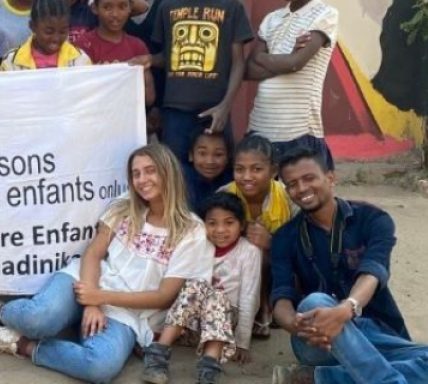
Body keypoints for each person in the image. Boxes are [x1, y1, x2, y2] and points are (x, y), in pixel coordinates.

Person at [0, 144, 213, 384]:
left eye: (150, 171)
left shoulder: (191, 231)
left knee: (100, 367)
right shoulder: (126, 206)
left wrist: (101, 298)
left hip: (128, 312)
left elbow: (164, 296)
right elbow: (93, 255)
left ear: (168, 171)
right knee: (38, 319)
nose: (142, 180)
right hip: (87, 280)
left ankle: (19, 343)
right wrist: (92, 302)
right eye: (136, 174)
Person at [270, 145, 428, 384]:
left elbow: (373, 271)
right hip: (319, 338)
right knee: (314, 301)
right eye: (292, 184)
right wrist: (295, 324)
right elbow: (281, 297)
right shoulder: (284, 237)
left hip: (376, 332)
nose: (301, 188)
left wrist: (346, 309)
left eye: (309, 178)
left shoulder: (372, 219)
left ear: (330, 177)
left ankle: (318, 378)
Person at [152, 0, 253, 165]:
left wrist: (225, 106)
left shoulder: (232, 7)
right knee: (176, 173)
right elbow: (167, 57)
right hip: (174, 112)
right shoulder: (167, 7)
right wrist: (146, 59)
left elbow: (238, 62)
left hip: (214, 109)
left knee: (216, 173)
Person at [144, 192, 261, 384]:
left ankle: (209, 367)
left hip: (225, 326)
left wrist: (242, 342)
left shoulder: (249, 252)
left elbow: (249, 296)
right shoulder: (199, 244)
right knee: (195, 285)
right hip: (192, 326)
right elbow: (180, 291)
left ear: (241, 225)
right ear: (202, 224)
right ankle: (157, 356)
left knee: (216, 296)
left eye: (229, 223)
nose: (220, 230)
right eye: (212, 223)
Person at [246, 0, 338, 167]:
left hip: (297, 128)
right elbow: (249, 69)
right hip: (261, 124)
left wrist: (267, 58)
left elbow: (297, 63)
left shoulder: (324, 14)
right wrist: (286, 60)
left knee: (298, 186)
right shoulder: (272, 19)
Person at [221, 134, 296, 338]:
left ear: (273, 171)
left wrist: (272, 242)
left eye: (256, 169)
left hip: (282, 267)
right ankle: (253, 310)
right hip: (236, 269)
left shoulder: (288, 196)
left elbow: (302, 241)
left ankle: (271, 306)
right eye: (239, 169)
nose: (246, 177)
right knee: (252, 251)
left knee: (262, 251)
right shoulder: (225, 195)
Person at [76, 0, 155, 106]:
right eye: (107, 7)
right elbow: (78, 92)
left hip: (127, 116)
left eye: (122, 7)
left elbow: (149, 97)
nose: (115, 14)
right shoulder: (83, 45)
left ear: (130, 7)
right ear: (95, 8)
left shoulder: (137, 46)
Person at [118, 0, 167, 137]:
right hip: (122, 104)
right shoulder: (109, 8)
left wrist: (159, 107)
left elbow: (171, 57)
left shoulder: (165, 6)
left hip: (160, 101)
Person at [0, 0, 92, 71]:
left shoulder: (80, 60)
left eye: (63, 32)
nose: (56, 38)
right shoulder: (11, 61)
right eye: (49, 32)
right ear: (33, 26)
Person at [185, 130, 233, 215]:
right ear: (191, 155)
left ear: (228, 157)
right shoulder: (181, 182)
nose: (210, 161)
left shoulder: (233, 182)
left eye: (218, 154)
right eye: (202, 153)